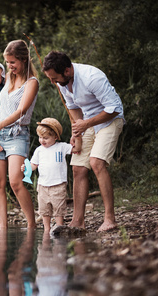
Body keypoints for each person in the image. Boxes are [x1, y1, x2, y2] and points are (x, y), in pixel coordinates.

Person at [42, 51, 125, 232]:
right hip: (87, 123)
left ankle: (110, 219)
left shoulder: (91, 77)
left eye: (54, 78)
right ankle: (78, 222)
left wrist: (85, 124)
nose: (53, 82)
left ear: (67, 71)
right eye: (50, 78)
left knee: (96, 162)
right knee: (78, 167)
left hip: (110, 120)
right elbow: (73, 108)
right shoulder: (62, 82)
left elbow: (114, 109)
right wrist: (77, 134)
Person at [0, 39, 39, 229]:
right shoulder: (6, 77)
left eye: (13, 62)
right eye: (7, 62)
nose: (9, 66)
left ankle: (32, 225)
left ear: (24, 59)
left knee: (16, 182)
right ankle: (3, 228)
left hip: (18, 134)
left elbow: (21, 112)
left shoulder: (32, 82)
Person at [21, 117, 72, 233]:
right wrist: (26, 168)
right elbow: (34, 164)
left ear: (55, 137)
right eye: (40, 137)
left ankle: (59, 226)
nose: (42, 140)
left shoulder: (62, 147)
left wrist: (76, 136)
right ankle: (47, 229)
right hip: (43, 185)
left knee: (59, 208)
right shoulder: (39, 150)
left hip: (58, 184)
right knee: (44, 209)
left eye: (46, 138)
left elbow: (75, 149)